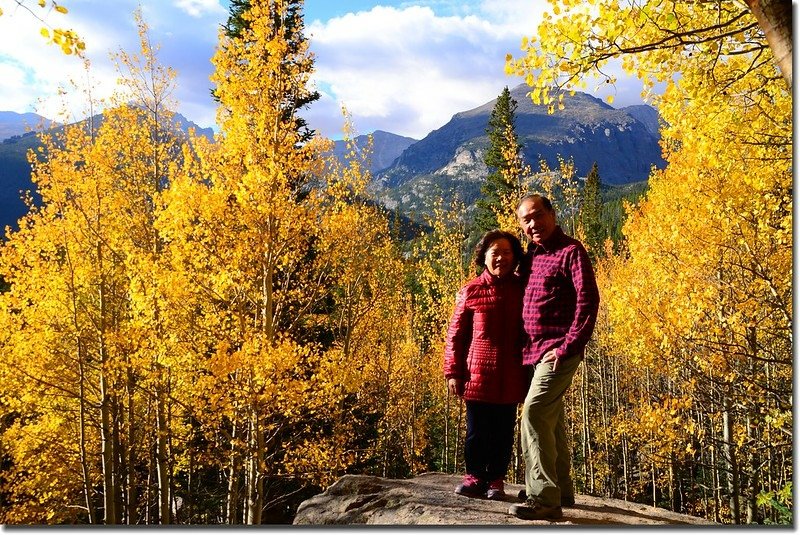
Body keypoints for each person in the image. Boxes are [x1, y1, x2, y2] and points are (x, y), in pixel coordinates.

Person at [508, 194, 600, 521]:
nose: (533, 224)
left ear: (551, 213)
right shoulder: (531, 256)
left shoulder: (571, 252)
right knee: (551, 419)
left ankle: (544, 498)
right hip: (532, 352)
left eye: (538, 216)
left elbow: (587, 303)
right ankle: (561, 488)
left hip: (558, 351)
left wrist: (567, 346)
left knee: (533, 413)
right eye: (526, 220)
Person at [444, 229, 529, 500]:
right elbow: (456, 336)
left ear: (515, 258)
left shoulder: (523, 290)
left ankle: (496, 480)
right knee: (476, 431)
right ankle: (474, 476)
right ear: (484, 257)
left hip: (512, 373)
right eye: (495, 253)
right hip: (477, 374)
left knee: (504, 432)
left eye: (507, 253)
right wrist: (453, 372)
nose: (501, 258)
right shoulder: (471, 291)